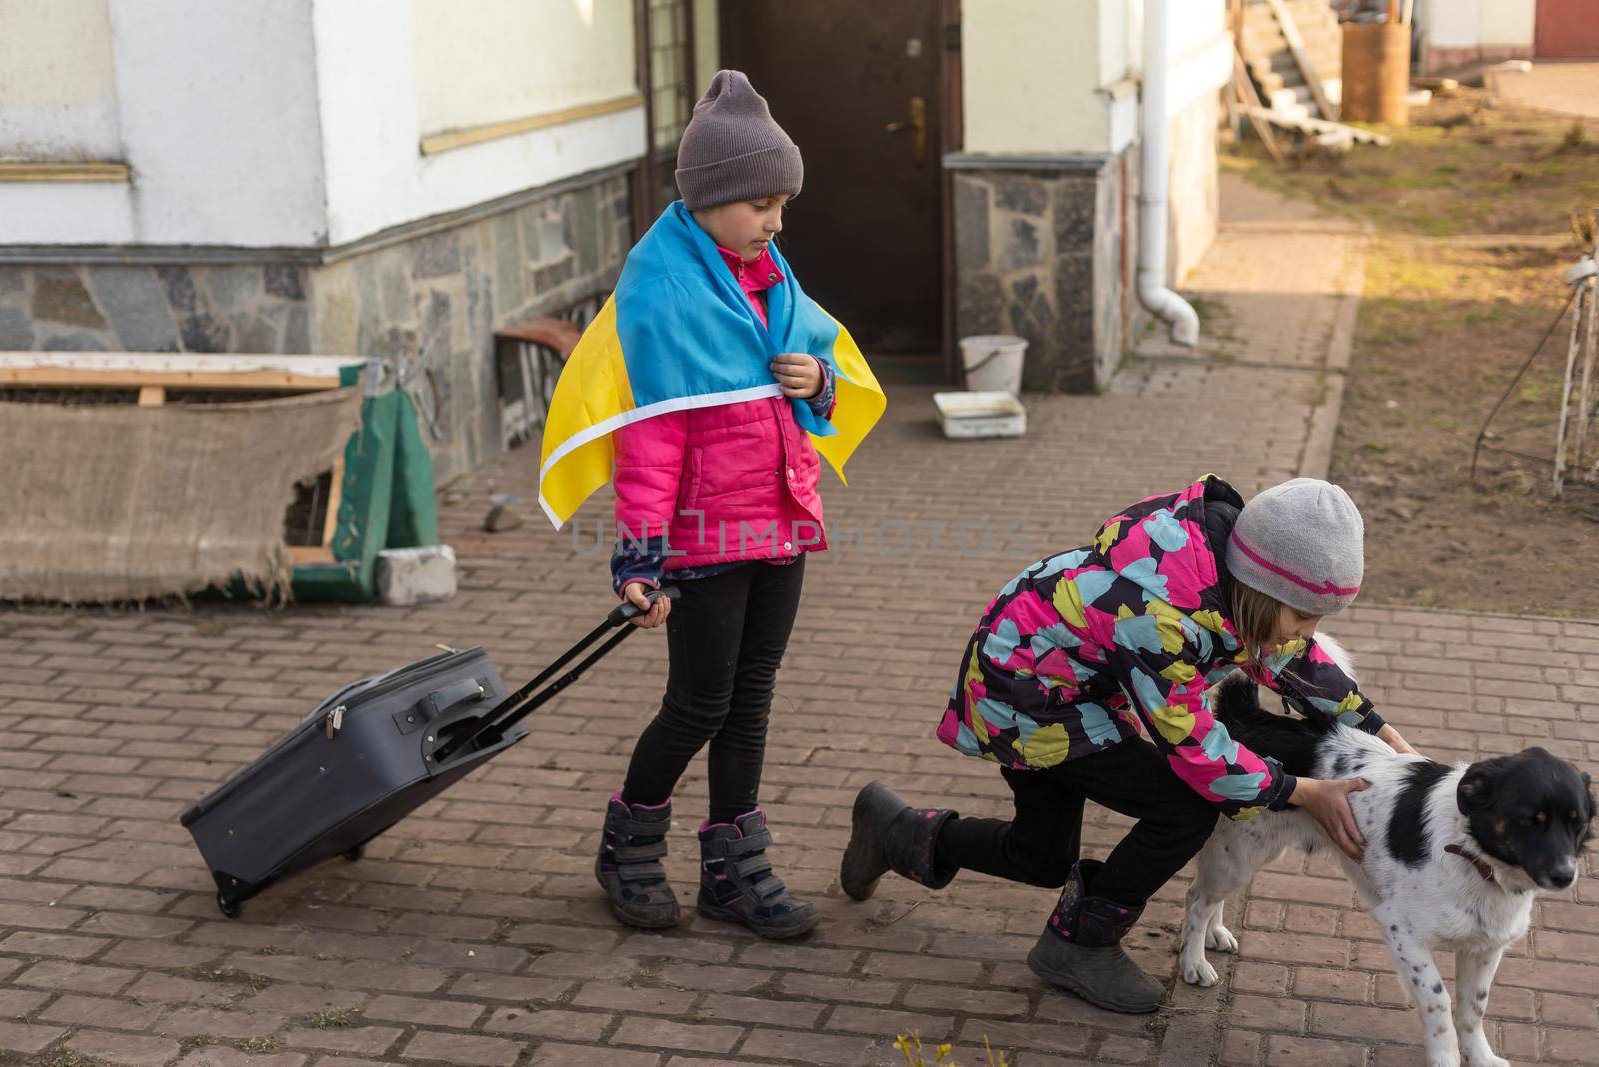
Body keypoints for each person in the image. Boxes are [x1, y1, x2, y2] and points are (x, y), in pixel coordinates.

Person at [839, 476, 1416, 1011]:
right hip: (1029, 703)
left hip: (1053, 692)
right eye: (1304, 616)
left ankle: (896, 833)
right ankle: (1081, 945)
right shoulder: (1159, 614)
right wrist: (1300, 791)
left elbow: (1294, 660)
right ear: (1262, 588)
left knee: (1041, 857)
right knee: (1187, 805)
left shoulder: (1224, 580)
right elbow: (1196, 750)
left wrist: (1384, 733)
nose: (1308, 632)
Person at [536, 70, 883, 939]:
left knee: (752, 699)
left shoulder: (772, 283)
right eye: (761, 203)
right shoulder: (664, 299)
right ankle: (629, 844)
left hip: (781, 523)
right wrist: (640, 561)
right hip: (703, 538)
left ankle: (731, 868)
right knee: (698, 703)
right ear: (711, 199)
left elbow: (803, 396)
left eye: (782, 206)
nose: (775, 221)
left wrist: (822, 384)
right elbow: (648, 449)